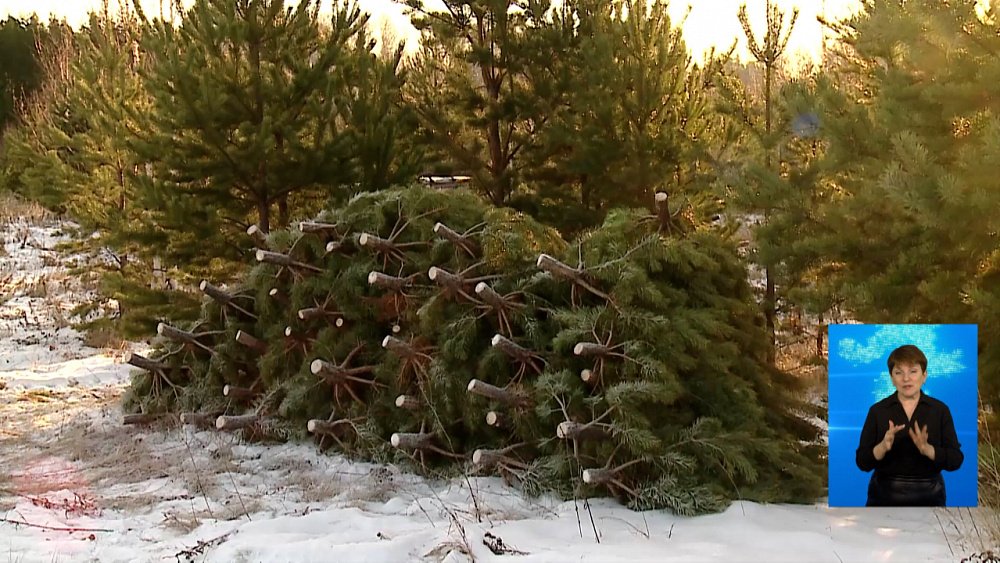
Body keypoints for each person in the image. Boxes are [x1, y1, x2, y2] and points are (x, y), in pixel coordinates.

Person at [855, 344, 964, 506]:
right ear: (892, 378)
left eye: (913, 371)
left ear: (924, 375)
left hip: (930, 497)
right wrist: (882, 447)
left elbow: (956, 460)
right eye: (899, 373)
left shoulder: (940, 410)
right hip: (883, 497)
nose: (906, 379)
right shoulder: (878, 411)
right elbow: (862, 462)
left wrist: (928, 449)